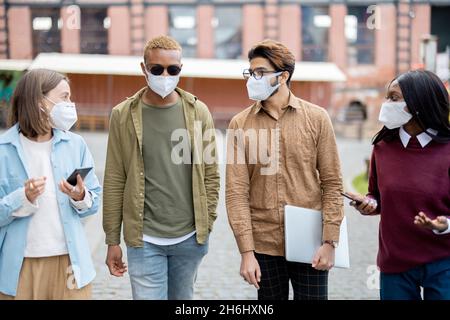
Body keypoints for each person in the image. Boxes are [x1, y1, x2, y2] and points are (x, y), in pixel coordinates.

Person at [103, 35, 220, 300]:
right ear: (144, 69)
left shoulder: (198, 112)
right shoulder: (122, 115)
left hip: (190, 238)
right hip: (143, 239)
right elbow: (114, 179)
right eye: (157, 69)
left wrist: (207, 222)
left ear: (181, 69)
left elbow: (211, 173)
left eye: (173, 69)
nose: (165, 75)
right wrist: (112, 240)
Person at [226, 39, 344, 300]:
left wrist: (329, 241)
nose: (252, 79)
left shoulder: (317, 118)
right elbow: (236, 192)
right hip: (263, 244)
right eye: (250, 72)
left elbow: (332, 183)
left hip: (310, 242)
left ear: (283, 76)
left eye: (260, 73)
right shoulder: (240, 124)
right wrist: (247, 252)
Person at [348, 70, 450, 300]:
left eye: (394, 98)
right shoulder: (383, 147)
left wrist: (444, 225)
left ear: (419, 104)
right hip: (395, 260)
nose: (386, 104)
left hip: (444, 262)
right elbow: (376, 197)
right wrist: (369, 204)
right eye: (387, 97)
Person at [0, 69, 102, 300]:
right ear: (39, 101)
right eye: (64, 97)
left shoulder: (76, 145)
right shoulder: (2, 150)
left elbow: (94, 202)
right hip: (18, 266)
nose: (70, 103)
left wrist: (80, 196)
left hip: (70, 262)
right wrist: (22, 197)